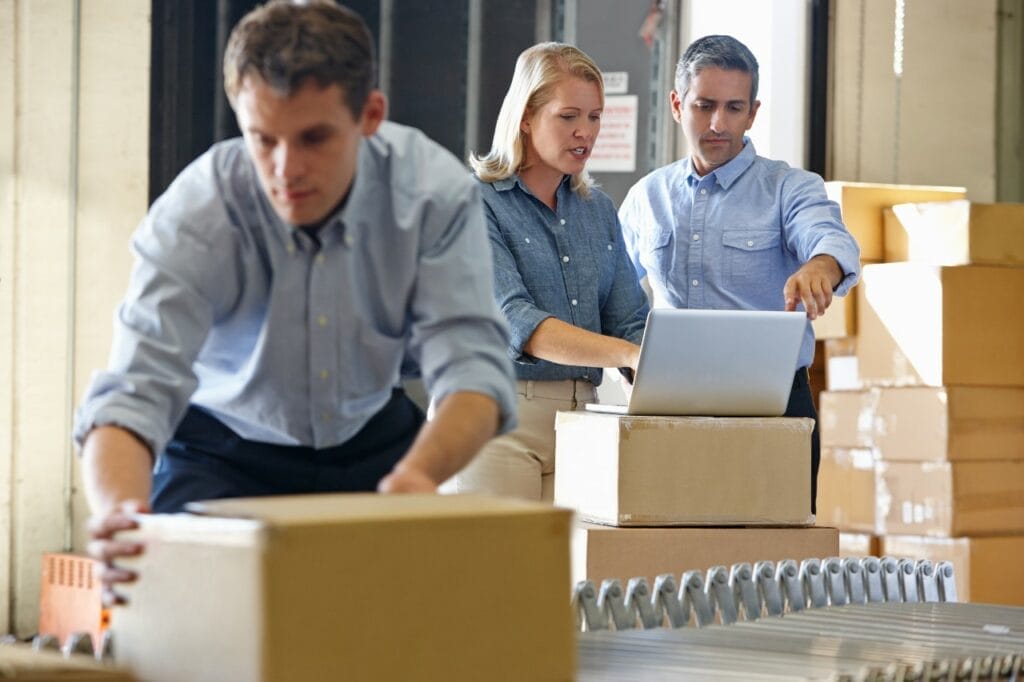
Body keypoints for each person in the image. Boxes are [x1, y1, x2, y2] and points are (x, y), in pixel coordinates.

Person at [75, 0, 516, 602]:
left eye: (314, 138)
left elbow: (473, 372)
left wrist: (420, 477)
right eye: (262, 139)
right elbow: (133, 390)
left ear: (370, 115)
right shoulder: (199, 211)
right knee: (173, 615)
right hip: (220, 449)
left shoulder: (432, 195)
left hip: (373, 445)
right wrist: (122, 516)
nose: (287, 169)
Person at [618, 35, 861, 514]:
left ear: (753, 113)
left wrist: (819, 266)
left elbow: (832, 239)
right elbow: (612, 294)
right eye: (704, 105)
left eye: (734, 108)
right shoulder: (647, 198)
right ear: (676, 104)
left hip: (773, 404)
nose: (717, 124)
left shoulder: (790, 187)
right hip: (670, 405)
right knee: (673, 553)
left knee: (772, 562)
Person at [451, 42, 650, 502]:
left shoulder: (597, 210)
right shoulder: (473, 203)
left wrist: (668, 363)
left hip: (585, 423)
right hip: (496, 423)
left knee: (574, 573)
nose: (585, 132)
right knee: (501, 573)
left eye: (595, 117)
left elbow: (628, 319)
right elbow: (517, 321)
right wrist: (626, 353)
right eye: (568, 117)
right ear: (525, 116)